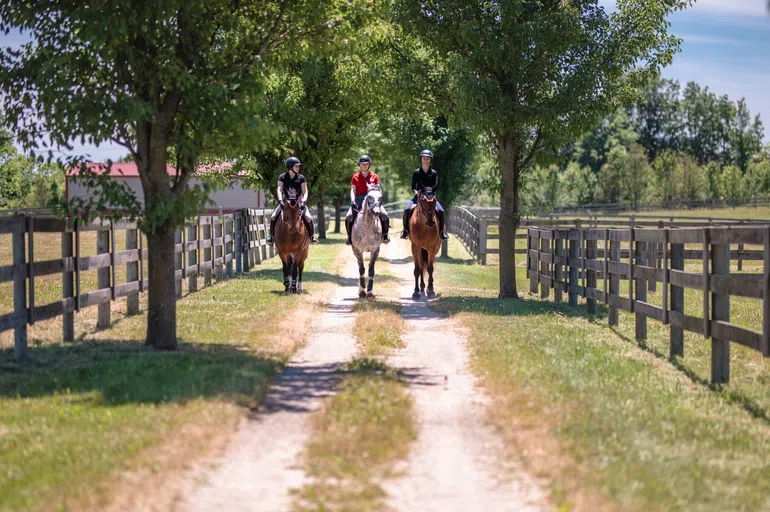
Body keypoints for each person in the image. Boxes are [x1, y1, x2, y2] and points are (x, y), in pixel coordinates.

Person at [266, 156, 319, 245]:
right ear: (290, 167)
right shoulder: (282, 177)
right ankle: (271, 236)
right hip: (286, 203)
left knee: (309, 217)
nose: (298, 168)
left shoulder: (301, 178)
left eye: (298, 166)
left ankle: (312, 236)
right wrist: (280, 201)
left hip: (299, 203)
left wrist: (304, 202)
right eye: (296, 166)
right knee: (274, 216)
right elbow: (279, 189)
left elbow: (305, 191)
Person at [400, 149, 448, 240]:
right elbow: (413, 186)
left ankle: (442, 232)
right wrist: (415, 192)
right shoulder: (416, 172)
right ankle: (405, 230)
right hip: (419, 196)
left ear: (430, 160)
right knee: (406, 209)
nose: (425, 160)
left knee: (441, 211)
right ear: (421, 159)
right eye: (424, 158)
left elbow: (436, 185)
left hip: (430, 197)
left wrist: (432, 193)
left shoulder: (434, 173)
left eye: (427, 159)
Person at [345, 154, 390, 245]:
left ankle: (385, 235)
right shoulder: (355, 177)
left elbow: (379, 189)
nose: (364, 165)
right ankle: (350, 237)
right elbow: (353, 190)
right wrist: (353, 201)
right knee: (348, 216)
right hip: (359, 199)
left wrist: (378, 200)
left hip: (373, 200)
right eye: (362, 164)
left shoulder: (375, 177)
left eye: (366, 164)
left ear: (369, 165)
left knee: (385, 215)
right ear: (360, 165)